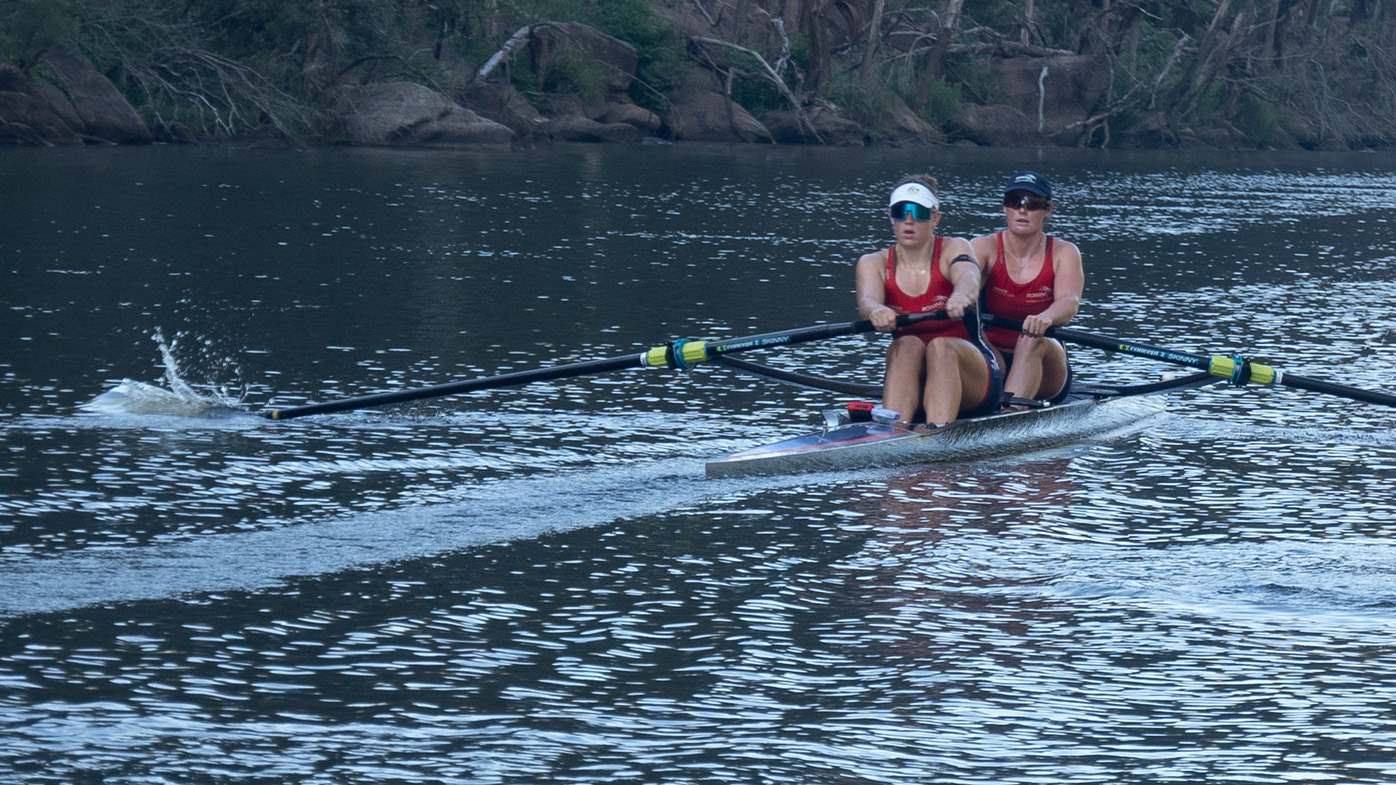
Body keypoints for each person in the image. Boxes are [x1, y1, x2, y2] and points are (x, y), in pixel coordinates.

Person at [856, 176, 1004, 429]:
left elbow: (968, 275)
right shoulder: (873, 263)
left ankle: (936, 434)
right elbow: (867, 301)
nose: (909, 220)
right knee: (906, 345)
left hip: (975, 379)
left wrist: (961, 296)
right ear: (891, 216)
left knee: (940, 347)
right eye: (901, 212)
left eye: (920, 212)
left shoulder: (954, 248)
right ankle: (892, 433)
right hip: (914, 371)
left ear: (935, 218)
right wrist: (877, 310)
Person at [971, 171, 1083, 404]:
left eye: (1032, 203)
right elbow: (962, 287)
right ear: (1005, 207)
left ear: (1048, 210)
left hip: (1046, 364)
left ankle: (1011, 413)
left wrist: (1046, 317)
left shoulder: (1064, 252)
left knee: (1030, 338)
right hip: (991, 355)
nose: (1022, 210)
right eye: (1014, 202)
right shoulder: (983, 248)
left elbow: (1069, 302)